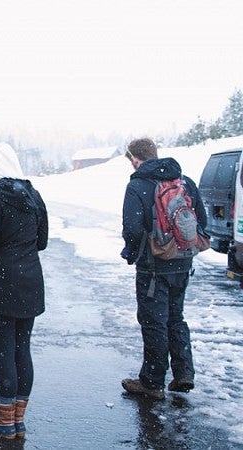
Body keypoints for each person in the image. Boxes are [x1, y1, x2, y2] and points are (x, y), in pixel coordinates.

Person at [0, 142, 48, 440]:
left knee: (3, 349)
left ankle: (3, 420)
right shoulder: (33, 194)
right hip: (30, 282)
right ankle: (17, 418)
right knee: (21, 349)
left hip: (0, 282)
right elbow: (42, 241)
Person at [120, 137, 205, 400]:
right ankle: (183, 373)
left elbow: (133, 228)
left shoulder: (138, 185)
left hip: (153, 265)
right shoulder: (184, 181)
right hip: (183, 260)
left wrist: (132, 253)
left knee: (153, 320)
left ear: (135, 159)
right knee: (175, 316)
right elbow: (200, 217)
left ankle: (152, 381)